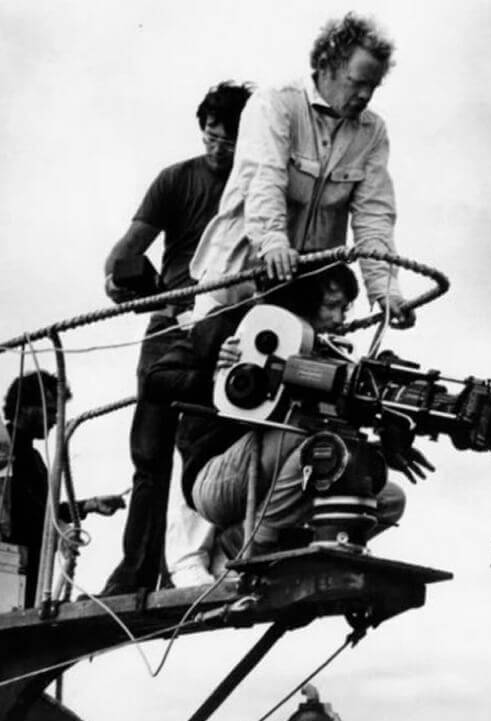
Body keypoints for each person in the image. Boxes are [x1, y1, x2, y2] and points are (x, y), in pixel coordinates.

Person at [144, 265, 429, 558]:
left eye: (344, 309)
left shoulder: (329, 349)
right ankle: (255, 538)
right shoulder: (236, 325)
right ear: (304, 299)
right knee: (312, 427)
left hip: (275, 468)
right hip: (216, 478)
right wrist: (218, 375)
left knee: (387, 498)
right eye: (331, 306)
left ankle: (296, 549)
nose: (338, 318)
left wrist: (386, 439)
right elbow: (155, 380)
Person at [100, 81, 254, 596]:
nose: (218, 148)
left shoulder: (258, 187)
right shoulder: (176, 179)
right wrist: (133, 286)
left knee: (204, 448)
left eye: (229, 140)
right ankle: (136, 570)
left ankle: (191, 562)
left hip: (223, 327)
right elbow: (123, 254)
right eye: (211, 136)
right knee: (149, 454)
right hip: (170, 325)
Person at [189, 13, 415, 331]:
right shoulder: (274, 104)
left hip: (304, 292)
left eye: (373, 86)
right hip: (237, 278)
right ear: (326, 66)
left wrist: (385, 290)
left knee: (306, 360)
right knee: (215, 354)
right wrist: (272, 241)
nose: (365, 95)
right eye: (357, 82)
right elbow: (264, 178)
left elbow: (374, 216)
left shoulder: (372, 132)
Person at [2, 372, 125, 607]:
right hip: (9, 572)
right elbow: (19, 508)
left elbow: (42, 509)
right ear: (25, 408)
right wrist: (63, 529)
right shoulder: (3, 447)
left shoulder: (34, 459)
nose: (55, 420)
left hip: (25, 574)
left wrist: (88, 505)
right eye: (50, 411)